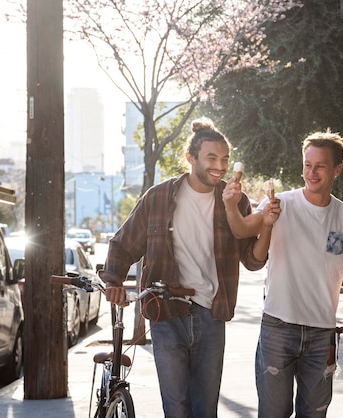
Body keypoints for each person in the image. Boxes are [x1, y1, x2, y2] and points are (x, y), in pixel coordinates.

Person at [99, 117, 274, 418]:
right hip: (167, 314)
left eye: (224, 159)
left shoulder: (235, 200)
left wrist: (267, 226)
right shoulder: (158, 197)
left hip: (212, 314)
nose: (219, 166)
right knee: (177, 408)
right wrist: (113, 280)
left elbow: (253, 260)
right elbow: (123, 244)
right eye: (211, 158)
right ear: (190, 158)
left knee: (205, 410)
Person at [223, 129, 343, 417]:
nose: (312, 172)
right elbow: (242, 229)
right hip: (279, 328)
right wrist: (231, 206)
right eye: (308, 165)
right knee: (274, 413)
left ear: (337, 169)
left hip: (322, 334)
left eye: (320, 165)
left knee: (314, 414)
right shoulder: (280, 204)